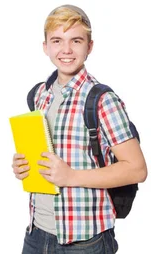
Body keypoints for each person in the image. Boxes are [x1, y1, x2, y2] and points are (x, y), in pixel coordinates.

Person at [12, 4, 147, 253]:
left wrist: (71, 176)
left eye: (75, 40)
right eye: (57, 40)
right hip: (36, 234)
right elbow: (46, 157)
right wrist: (24, 166)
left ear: (89, 46)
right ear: (45, 47)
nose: (66, 50)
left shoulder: (102, 100)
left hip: (85, 241)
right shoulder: (39, 94)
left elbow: (137, 169)